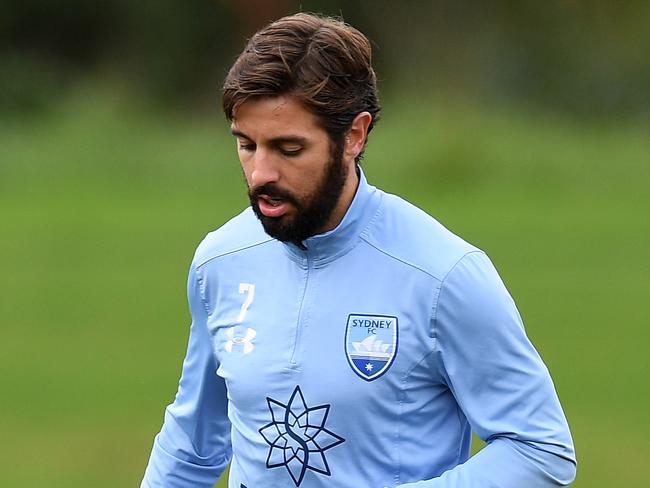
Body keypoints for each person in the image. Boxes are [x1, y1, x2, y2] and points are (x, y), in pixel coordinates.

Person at [141, 12, 576, 488]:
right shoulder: (219, 262)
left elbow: (540, 450)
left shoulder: (443, 275)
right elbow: (192, 444)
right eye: (247, 145)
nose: (260, 173)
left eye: (288, 149)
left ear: (354, 135)